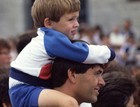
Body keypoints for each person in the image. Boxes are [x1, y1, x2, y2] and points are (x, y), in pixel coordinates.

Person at [9, 0, 115, 107]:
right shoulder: (51, 40)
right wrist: (107, 53)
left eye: (77, 18)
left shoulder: (47, 39)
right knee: (69, 102)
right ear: (49, 23)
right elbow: (82, 53)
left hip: (31, 87)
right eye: (70, 19)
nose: (77, 24)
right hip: (24, 90)